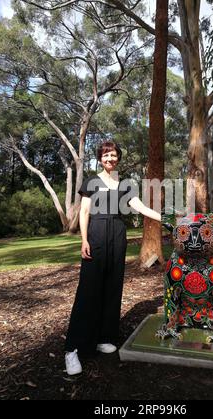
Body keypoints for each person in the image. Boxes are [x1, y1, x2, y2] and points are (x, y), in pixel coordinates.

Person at [65, 141, 161, 375]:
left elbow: (139, 206)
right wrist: (84, 240)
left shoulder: (124, 184)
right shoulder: (91, 181)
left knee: (112, 287)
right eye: (106, 155)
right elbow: (85, 212)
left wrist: (163, 217)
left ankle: (103, 337)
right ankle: (73, 350)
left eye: (114, 155)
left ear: (118, 158)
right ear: (100, 158)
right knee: (89, 290)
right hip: (96, 233)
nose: (110, 158)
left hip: (117, 234)